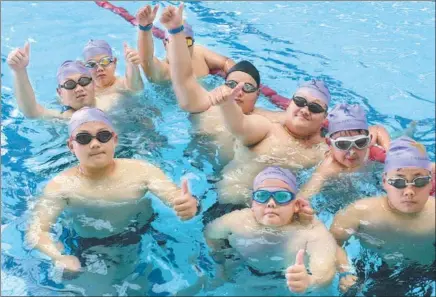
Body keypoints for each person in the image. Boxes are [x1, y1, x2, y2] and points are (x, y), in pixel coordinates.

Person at [26, 107, 199, 295]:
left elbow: (175, 197)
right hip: (94, 249)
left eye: (103, 136)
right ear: (71, 145)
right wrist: (59, 256)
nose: (95, 144)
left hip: (145, 236)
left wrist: (189, 205)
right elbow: (37, 230)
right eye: (84, 138)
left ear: (114, 140)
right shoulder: (60, 186)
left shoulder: (142, 171)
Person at [159, 4, 284, 165]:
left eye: (247, 88)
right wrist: (175, 32)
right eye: (232, 84)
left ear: (257, 94)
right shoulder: (207, 104)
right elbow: (184, 77)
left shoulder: (266, 119)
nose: (238, 91)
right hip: (193, 165)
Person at [204, 166, 337, 294]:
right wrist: (222, 259)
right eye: (262, 196)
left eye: (281, 196)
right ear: (252, 203)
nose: (271, 203)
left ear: (296, 205)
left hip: (290, 283)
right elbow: (210, 234)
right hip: (244, 273)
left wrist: (309, 281)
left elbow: (326, 272)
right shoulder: (237, 221)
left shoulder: (311, 230)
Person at [330, 136, 435, 294]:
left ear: (431, 182)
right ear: (384, 181)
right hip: (380, 268)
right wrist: (345, 270)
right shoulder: (358, 212)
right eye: (398, 182)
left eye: (419, 181)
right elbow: (331, 242)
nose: (409, 192)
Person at [298, 103, 391, 200]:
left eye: (360, 142)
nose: (352, 152)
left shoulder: (369, 150)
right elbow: (304, 196)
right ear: (330, 144)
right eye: (343, 144)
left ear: (369, 140)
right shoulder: (328, 169)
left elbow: (377, 129)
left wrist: (390, 152)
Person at [136, 4, 235, 83]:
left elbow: (226, 62)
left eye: (186, 42)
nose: (182, 48)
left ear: (192, 42)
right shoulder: (165, 71)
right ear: (165, 44)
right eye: (175, 42)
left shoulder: (199, 53)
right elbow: (146, 60)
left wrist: (234, 81)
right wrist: (144, 28)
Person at [6, 42, 97, 119]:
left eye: (84, 81)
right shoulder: (62, 119)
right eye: (69, 84)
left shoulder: (109, 103)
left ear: (93, 84)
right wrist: (19, 71)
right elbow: (31, 112)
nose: (79, 88)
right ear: (60, 93)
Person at [82, 39, 144, 109]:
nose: (99, 68)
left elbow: (135, 88)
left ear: (114, 62)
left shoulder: (122, 84)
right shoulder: (86, 92)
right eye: (91, 64)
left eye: (105, 61)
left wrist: (132, 64)